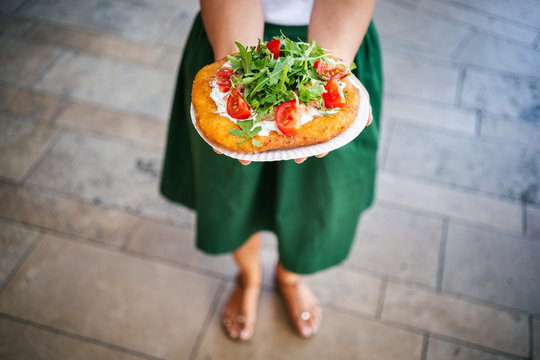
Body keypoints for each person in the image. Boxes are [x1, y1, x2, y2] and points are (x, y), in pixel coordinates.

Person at [160, 0, 382, 341]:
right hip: (230, 40)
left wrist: (328, 73)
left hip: (337, 44)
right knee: (231, 195)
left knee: (318, 198)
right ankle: (248, 277)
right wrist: (235, 77)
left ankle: (290, 277)